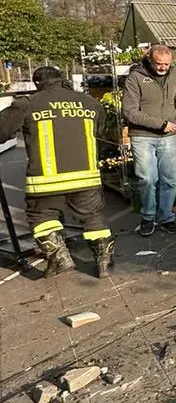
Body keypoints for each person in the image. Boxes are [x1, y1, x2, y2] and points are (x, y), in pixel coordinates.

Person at [0, 66, 113, 277]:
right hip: (86, 177)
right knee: (93, 218)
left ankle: (61, 257)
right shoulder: (89, 102)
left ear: (37, 83)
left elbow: (2, 129)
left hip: (45, 180)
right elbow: (100, 131)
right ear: (62, 79)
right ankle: (104, 260)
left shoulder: (28, 104)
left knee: (41, 218)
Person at [122, 44, 176, 237]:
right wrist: (161, 124)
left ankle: (166, 217)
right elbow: (129, 112)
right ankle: (147, 217)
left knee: (169, 179)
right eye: (159, 64)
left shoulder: (174, 73)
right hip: (143, 136)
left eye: (167, 64)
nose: (163, 68)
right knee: (147, 179)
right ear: (150, 60)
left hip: (169, 135)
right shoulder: (135, 78)